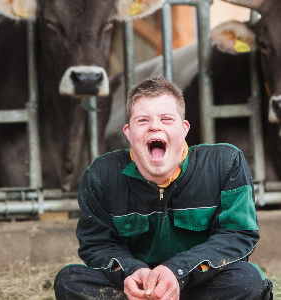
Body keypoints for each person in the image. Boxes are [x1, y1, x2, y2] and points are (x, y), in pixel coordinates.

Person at [54, 76, 273, 300]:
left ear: (184, 128)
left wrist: (176, 272)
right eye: (142, 121)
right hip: (134, 289)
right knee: (69, 280)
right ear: (128, 132)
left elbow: (237, 234)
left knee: (247, 281)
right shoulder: (101, 175)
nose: (155, 126)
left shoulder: (225, 163)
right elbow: (97, 243)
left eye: (166, 119)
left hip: (196, 283)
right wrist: (133, 273)